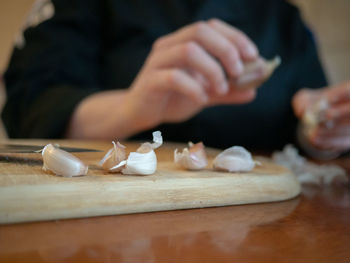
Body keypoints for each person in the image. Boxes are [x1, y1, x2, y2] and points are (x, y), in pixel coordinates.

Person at [2, 0, 350, 157]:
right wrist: (132, 108)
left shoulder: (284, 17)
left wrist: (320, 128)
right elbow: (30, 104)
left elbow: (307, 118)